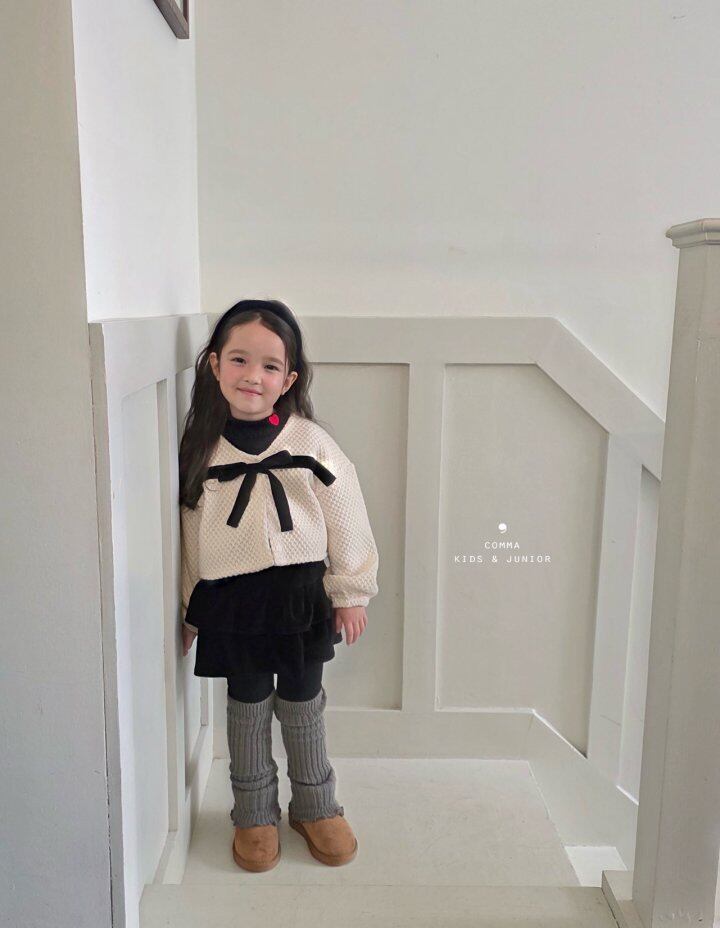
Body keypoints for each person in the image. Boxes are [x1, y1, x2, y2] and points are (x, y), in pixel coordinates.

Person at [178, 298, 379, 873]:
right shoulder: (203, 448)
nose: (253, 376)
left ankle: (315, 806)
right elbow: (190, 535)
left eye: (270, 366)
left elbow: (347, 514)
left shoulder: (311, 443)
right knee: (246, 702)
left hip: (299, 599)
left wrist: (351, 591)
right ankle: (253, 812)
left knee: (302, 698)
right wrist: (190, 609)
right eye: (239, 360)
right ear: (215, 365)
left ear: (288, 379)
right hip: (233, 602)